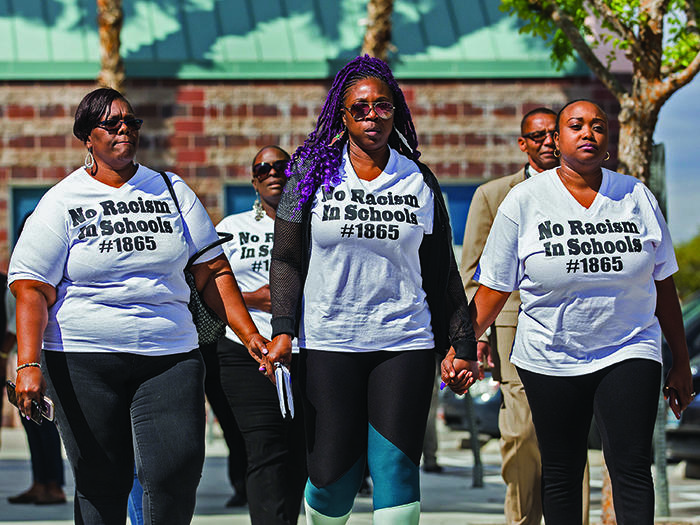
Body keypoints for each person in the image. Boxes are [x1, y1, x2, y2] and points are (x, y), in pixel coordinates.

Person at [8, 87, 267, 525]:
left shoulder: (171, 190)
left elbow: (213, 271)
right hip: (83, 359)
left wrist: (250, 335)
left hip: (170, 356)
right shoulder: (62, 201)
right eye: (112, 124)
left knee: (176, 472)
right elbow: (32, 288)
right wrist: (28, 364)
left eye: (131, 121)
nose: (124, 129)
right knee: (102, 480)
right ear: (87, 137)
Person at [443, 99, 694, 525]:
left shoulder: (636, 196)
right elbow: (493, 290)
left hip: (628, 349)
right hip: (549, 356)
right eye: (576, 125)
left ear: (608, 139)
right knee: (561, 469)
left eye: (598, 126)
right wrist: (463, 347)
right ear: (557, 140)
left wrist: (681, 362)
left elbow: (663, 284)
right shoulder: (523, 201)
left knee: (631, 465)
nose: (589, 133)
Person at [265, 55, 479, 524]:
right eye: (359, 108)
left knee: (397, 467)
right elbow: (285, 259)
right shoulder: (309, 176)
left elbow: (442, 271)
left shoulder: (418, 180)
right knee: (331, 476)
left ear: (396, 111)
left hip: (404, 342)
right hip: (328, 342)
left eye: (382, 106)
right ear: (341, 116)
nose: (372, 116)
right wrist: (283, 329)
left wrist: (461, 345)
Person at [460, 108, 557, 524]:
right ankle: (522, 519)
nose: (548, 142)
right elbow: (471, 271)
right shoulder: (493, 195)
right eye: (538, 136)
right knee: (520, 432)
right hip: (511, 326)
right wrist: (473, 336)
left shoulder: (587, 190)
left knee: (564, 433)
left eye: (555, 133)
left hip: (572, 328)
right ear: (524, 144)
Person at [214, 144, 307, 524]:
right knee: (264, 449)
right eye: (263, 169)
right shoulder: (231, 229)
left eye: (282, 166)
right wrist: (258, 298)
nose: (273, 172)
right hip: (246, 352)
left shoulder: (313, 222)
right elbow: (209, 286)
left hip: (307, 348)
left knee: (303, 449)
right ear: (254, 182)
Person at [4, 216, 67, 506]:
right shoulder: (21, 272)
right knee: (31, 421)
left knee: (43, 422)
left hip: (41, 360)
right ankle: (40, 482)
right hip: (23, 358)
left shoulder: (50, 272)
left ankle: (53, 485)